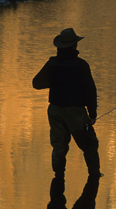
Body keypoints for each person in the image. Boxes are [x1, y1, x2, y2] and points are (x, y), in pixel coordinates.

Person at [33, 28, 101, 178]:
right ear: (74, 46)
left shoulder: (52, 63)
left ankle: (58, 177)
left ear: (59, 47)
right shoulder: (81, 65)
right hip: (75, 112)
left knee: (59, 146)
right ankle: (94, 176)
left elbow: (36, 83)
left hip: (55, 110)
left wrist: (55, 82)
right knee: (89, 145)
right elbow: (91, 91)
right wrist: (92, 114)